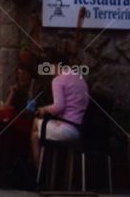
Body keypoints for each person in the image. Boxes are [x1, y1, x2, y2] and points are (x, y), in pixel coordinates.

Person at [30, 50, 90, 184]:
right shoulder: (79, 78)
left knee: (35, 131)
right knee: (44, 129)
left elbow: (59, 107)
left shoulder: (58, 80)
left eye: (49, 67)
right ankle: (51, 175)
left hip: (65, 129)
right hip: (77, 130)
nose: (49, 71)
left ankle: (39, 175)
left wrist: (43, 109)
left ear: (56, 65)